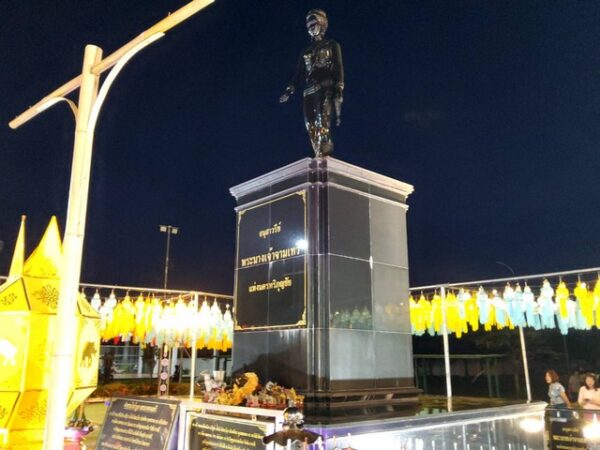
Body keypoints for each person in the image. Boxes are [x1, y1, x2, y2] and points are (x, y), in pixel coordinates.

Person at [280, 9, 344, 157]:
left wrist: (339, 87)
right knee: (310, 124)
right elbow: (299, 73)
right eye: (308, 25)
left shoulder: (332, 44)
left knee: (323, 122)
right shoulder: (306, 51)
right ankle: (318, 153)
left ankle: (325, 152)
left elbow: (338, 66)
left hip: (325, 88)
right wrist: (289, 90)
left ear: (322, 24)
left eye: (314, 24)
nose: (311, 28)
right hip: (308, 91)